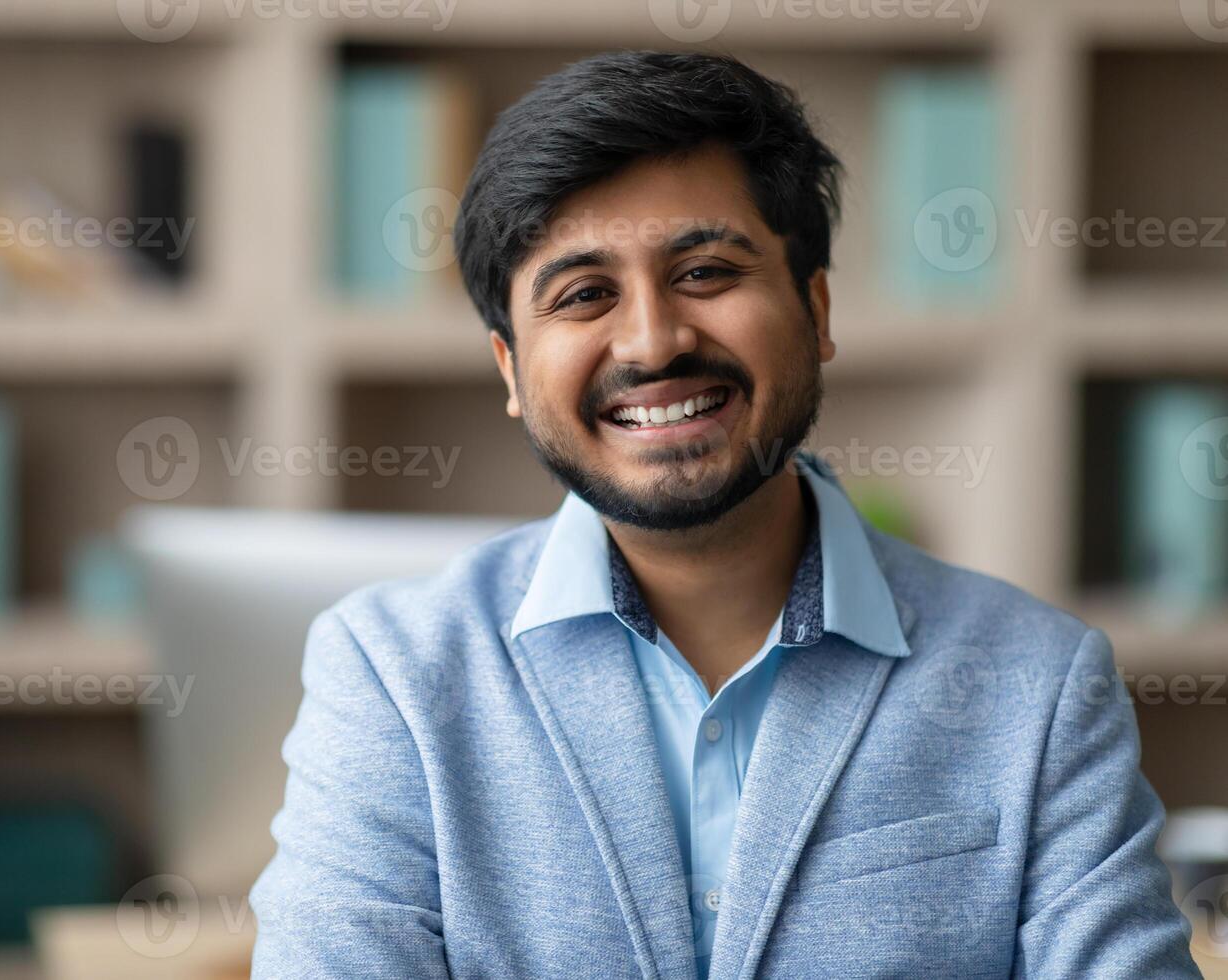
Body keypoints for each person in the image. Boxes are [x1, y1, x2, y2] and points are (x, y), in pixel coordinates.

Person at [250, 51, 1199, 978]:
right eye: (583, 295)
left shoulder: (1038, 681)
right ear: (510, 368)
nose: (654, 341)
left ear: (816, 309)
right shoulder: (391, 675)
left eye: (705, 272)